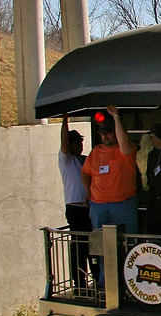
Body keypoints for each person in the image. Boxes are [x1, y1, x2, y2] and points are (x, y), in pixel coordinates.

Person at [81, 105, 138, 282]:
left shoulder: (124, 151)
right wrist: (88, 193)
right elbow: (85, 172)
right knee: (102, 248)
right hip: (98, 207)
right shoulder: (95, 152)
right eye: (102, 133)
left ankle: (128, 282)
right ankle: (105, 283)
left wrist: (116, 117)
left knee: (127, 246)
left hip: (123, 205)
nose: (105, 136)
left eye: (109, 132)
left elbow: (124, 142)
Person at [58, 113, 93, 288]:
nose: (80, 145)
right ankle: (79, 283)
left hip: (89, 207)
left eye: (81, 141)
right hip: (75, 208)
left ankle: (96, 279)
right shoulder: (66, 160)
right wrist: (65, 121)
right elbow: (63, 142)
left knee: (91, 244)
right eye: (77, 142)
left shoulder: (85, 160)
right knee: (79, 246)